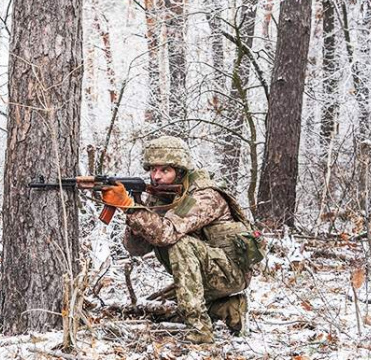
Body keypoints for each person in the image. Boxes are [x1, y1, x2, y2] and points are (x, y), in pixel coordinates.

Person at [100, 136, 263, 344]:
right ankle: (230, 309)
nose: (156, 176)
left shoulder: (203, 196)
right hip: (205, 273)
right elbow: (136, 249)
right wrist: (135, 209)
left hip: (230, 273)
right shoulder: (161, 197)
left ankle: (200, 330)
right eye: (153, 169)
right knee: (157, 309)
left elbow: (167, 233)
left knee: (179, 243)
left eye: (164, 170)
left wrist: (130, 209)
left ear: (180, 171)